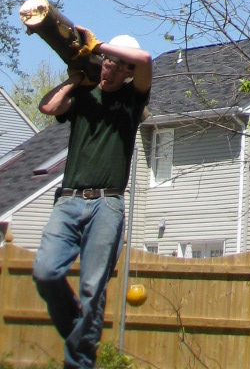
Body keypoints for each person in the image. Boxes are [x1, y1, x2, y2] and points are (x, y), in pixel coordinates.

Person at [32, 32, 153, 369]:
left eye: (119, 65)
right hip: (68, 201)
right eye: (108, 62)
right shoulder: (84, 96)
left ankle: (79, 362)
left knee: (92, 288)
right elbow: (48, 107)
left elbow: (146, 61)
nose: (110, 69)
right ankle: (80, 333)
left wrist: (98, 46)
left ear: (128, 73)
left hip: (107, 205)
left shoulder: (132, 101)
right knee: (45, 271)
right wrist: (74, 80)